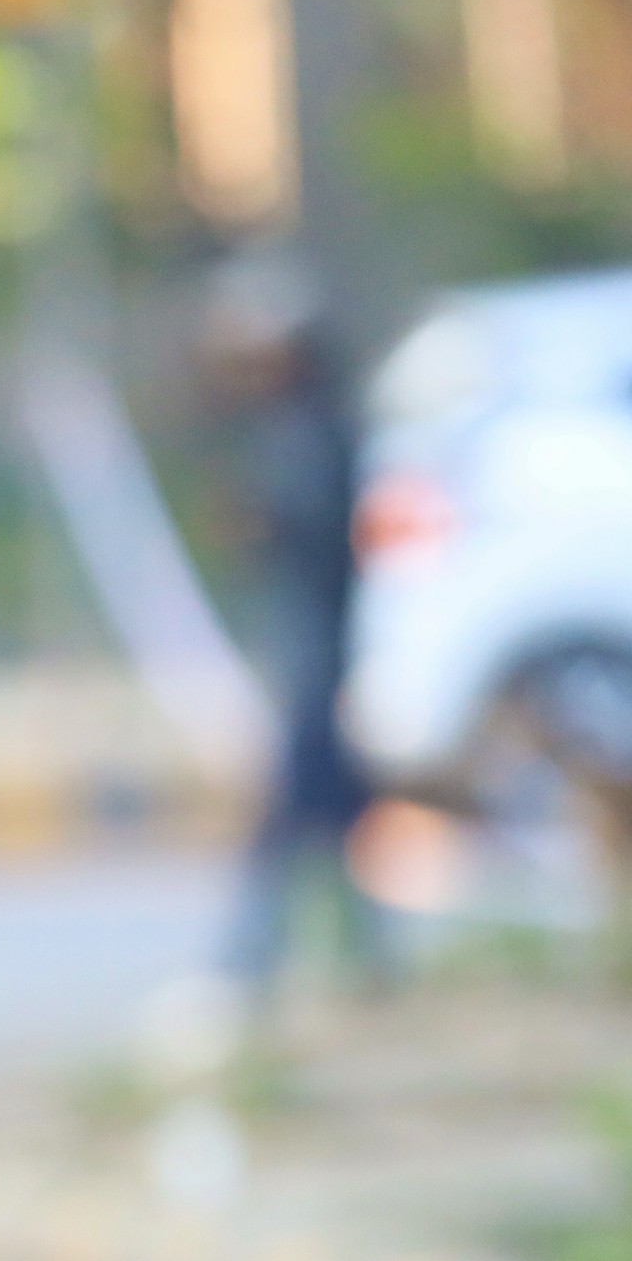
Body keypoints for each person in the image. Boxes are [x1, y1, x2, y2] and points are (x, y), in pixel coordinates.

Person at [207, 246, 388, 1005]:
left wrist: (263, 526)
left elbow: (320, 535)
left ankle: (249, 961)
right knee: (336, 809)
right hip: (313, 643)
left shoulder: (317, 431)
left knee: (295, 804)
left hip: (324, 646)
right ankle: (369, 958)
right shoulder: (292, 427)